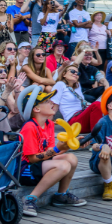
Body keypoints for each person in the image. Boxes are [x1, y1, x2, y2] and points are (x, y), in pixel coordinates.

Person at [19, 87, 87, 216]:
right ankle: (29, 199)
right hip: (25, 170)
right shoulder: (29, 127)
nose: (52, 102)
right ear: (36, 109)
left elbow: (51, 152)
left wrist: (68, 146)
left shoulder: (49, 124)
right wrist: (57, 149)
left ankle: (61, 195)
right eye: (47, 101)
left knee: (71, 158)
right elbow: (32, 159)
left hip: (40, 165)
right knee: (64, 165)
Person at [52, 63, 104, 132]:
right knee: (96, 104)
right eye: (72, 71)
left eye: (78, 73)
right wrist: (48, 124)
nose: (75, 73)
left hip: (82, 115)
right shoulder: (60, 84)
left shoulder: (77, 85)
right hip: (73, 121)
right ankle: (96, 138)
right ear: (64, 74)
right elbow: (54, 106)